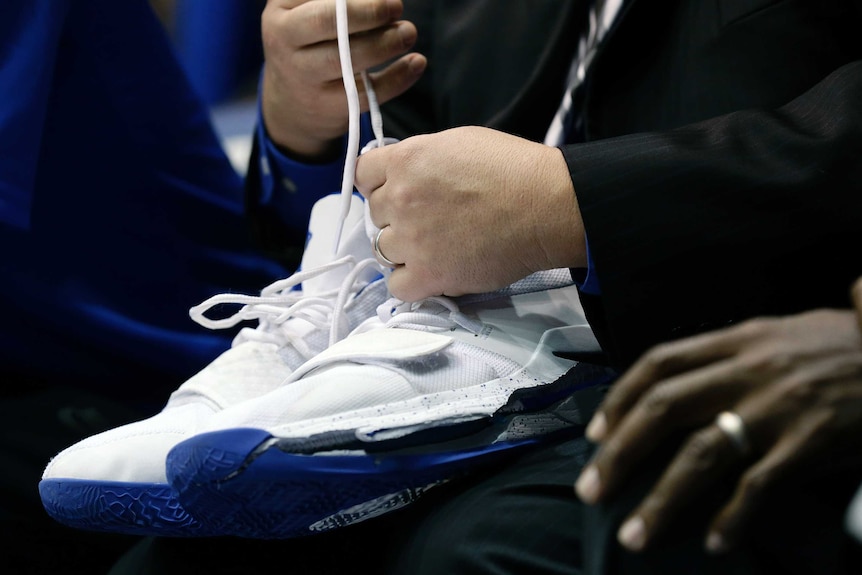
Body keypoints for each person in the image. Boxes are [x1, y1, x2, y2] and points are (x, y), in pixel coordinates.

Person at [39, 0, 862, 572]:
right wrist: (311, 120)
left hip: (741, 319)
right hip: (433, 319)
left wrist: (587, 202)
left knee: (483, 550)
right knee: (182, 556)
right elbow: (402, 151)